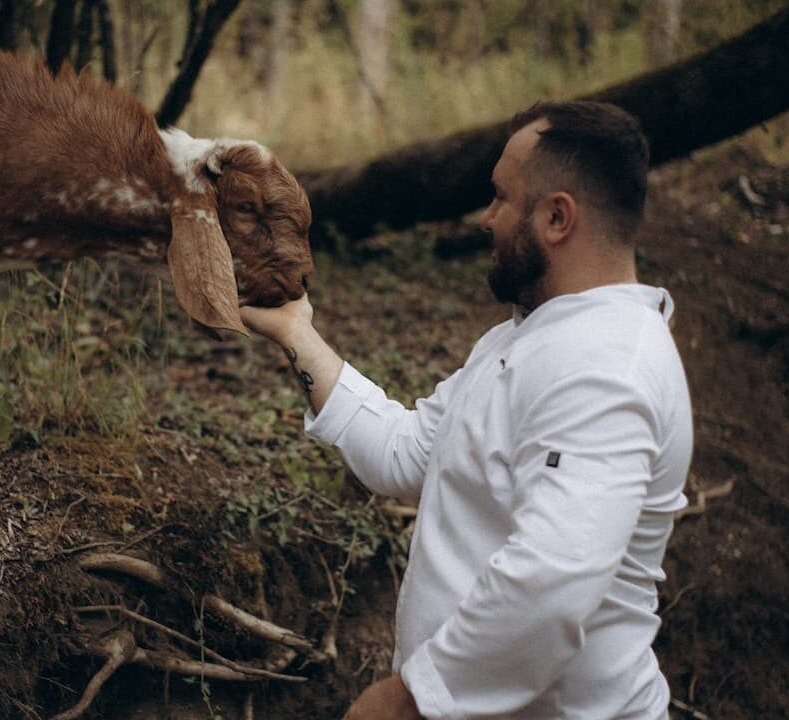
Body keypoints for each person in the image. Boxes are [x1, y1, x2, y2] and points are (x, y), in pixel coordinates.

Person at [239, 101, 693, 720]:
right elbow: (406, 453)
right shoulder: (527, 338)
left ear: (557, 217)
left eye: (502, 199)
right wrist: (297, 332)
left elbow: (551, 583)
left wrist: (407, 699)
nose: (486, 219)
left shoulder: (610, 367)